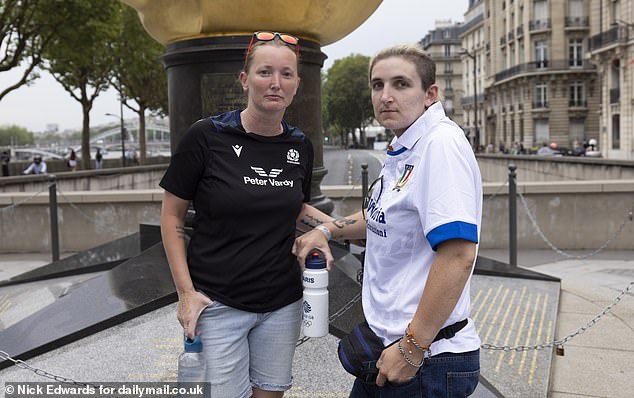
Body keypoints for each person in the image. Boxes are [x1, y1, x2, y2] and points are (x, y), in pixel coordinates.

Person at [293, 44, 482, 397]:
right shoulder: (406, 145)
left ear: (430, 94)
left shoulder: (439, 144)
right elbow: (382, 216)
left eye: (400, 84)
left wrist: (412, 349)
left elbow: (458, 254)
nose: (386, 96)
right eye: (377, 85)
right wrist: (324, 229)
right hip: (388, 350)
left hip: (426, 361)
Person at [159, 31, 335, 398]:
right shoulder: (206, 137)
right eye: (264, 72)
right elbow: (173, 218)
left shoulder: (300, 145)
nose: (275, 83)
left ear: (297, 84)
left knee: (270, 393)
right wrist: (186, 293)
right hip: (219, 302)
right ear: (244, 79)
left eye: (286, 74)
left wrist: (334, 229)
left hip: (282, 304)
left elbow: (295, 208)